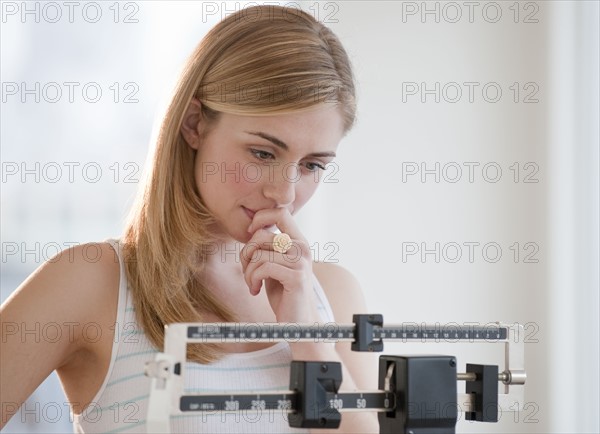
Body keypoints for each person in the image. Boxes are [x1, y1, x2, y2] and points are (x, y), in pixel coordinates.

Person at [1, 5, 378, 433]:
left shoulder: (333, 294)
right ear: (194, 124)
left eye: (312, 165)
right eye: (262, 154)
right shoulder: (92, 283)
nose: (285, 193)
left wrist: (307, 331)